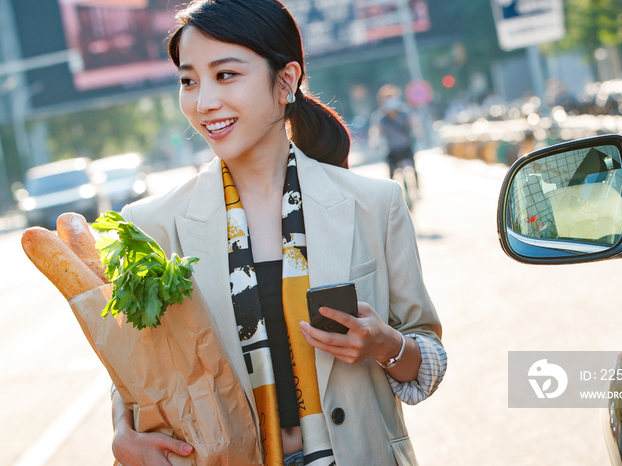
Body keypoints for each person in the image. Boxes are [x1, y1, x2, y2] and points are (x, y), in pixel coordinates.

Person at [110, 1, 446, 465]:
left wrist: (385, 345)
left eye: (225, 75)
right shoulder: (152, 225)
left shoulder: (374, 204)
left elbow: (427, 360)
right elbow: (138, 372)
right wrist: (121, 436)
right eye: (189, 81)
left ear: (286, 81)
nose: (204, 101)